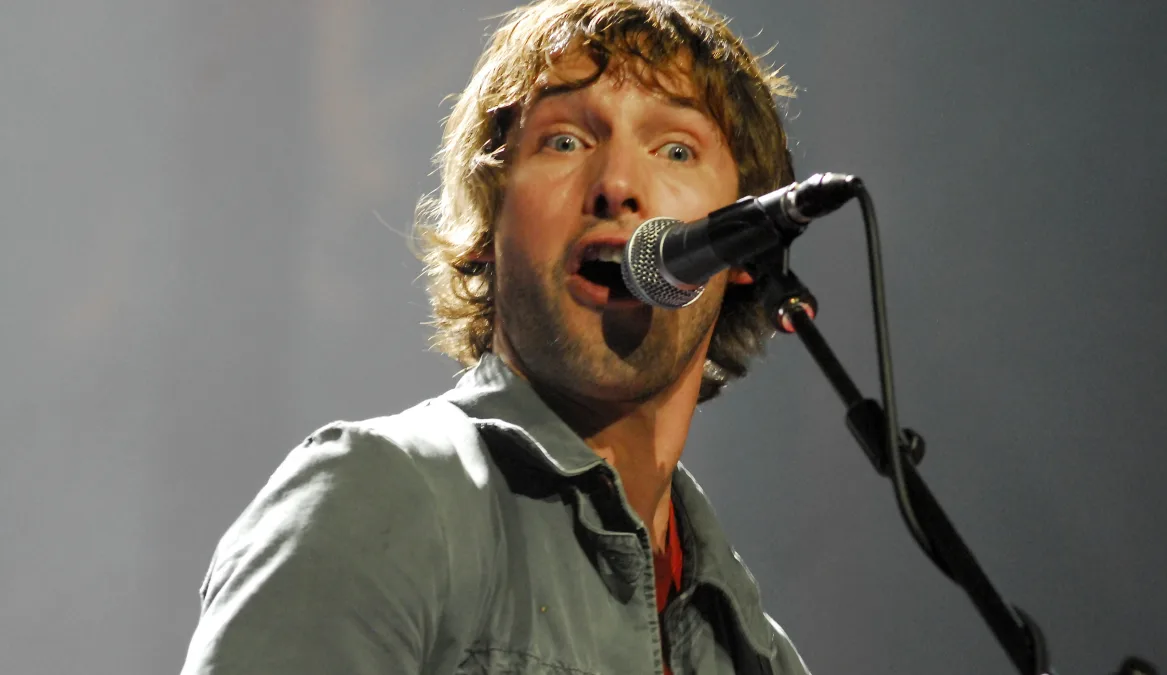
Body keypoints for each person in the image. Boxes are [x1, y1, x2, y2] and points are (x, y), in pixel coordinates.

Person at [180, 0, 812, 673]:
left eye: (676, 150)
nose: (618, 186)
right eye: (564, 140)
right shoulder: (382, 500)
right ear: (487, 230)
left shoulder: (757, 655)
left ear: (742, 249)